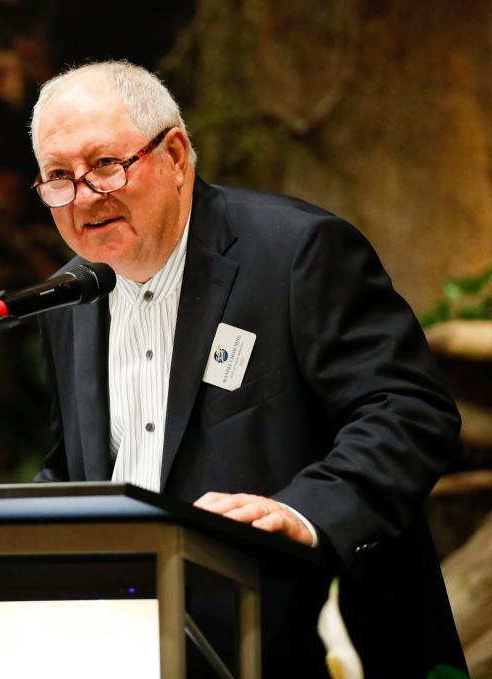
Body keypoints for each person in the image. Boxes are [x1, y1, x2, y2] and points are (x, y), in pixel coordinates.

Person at [30, 60, 466, 677]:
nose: (83, 197)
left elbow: (409, 412)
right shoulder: (67, 300)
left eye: (105, 165)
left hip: (309, 642)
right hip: (137, 649)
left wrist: (305, 512)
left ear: (175, 154)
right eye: (58, 177)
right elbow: (79, 464)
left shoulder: (296, 254)